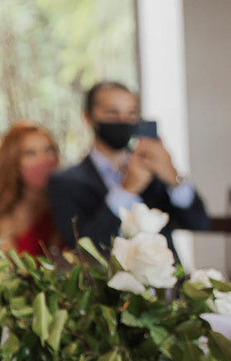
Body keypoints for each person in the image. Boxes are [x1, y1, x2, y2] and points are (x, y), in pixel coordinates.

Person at [47, 81, 209, 255]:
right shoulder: (65, 183)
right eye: (112, 113)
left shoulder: (152, 169)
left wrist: (174, 179)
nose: (123, 121)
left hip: (166, 271)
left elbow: (199, 223)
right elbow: (85, 247)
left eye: (131, 113)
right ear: (88, 117)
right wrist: (126, 190)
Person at [0, 123, 60, 256]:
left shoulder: (64, 204)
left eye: (48, 150)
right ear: (14, 163)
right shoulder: (6, 217)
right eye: (30, 153)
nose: (43, 159)